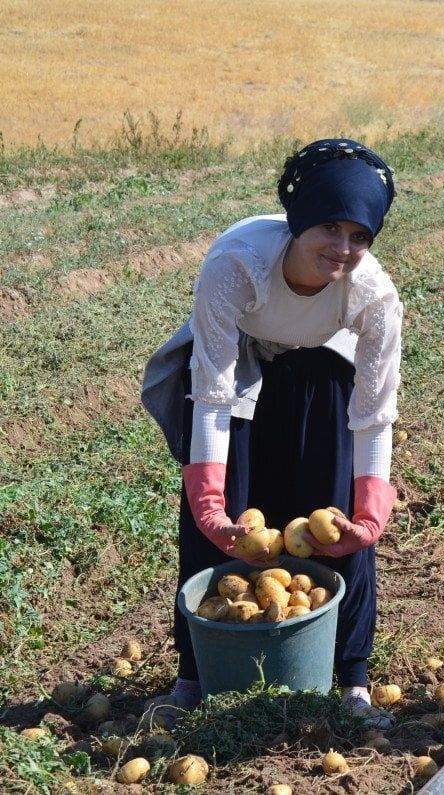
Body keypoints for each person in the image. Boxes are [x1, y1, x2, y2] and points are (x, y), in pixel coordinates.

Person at [140, 138, 403, 725]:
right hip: (237, 363)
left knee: (335, 515)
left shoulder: (375, 295)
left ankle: (350, 675)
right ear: (299, 220)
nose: (342, 249)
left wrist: (371, 512)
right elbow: (210, 391)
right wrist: (209, 504)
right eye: (329, 230)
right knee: (228, 516)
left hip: (323, 368)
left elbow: (374, 414)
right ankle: (197, 672)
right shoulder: (237, 261)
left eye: (360, 237)